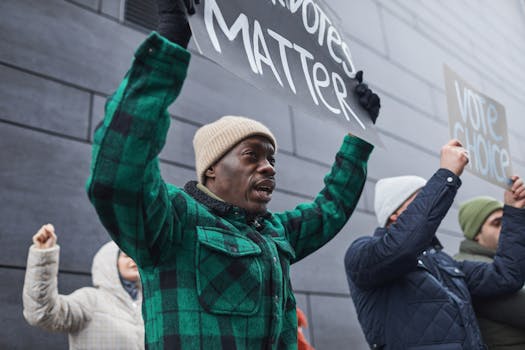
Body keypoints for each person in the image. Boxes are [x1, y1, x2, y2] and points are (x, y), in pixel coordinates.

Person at [86, 0, 379, 348]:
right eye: (251, 156)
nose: (268, 166)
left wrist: (359, 134)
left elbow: (331, 208)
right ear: (211, 168)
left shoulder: (276, 231)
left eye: (271, 158)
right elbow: (118, 176)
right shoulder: (172, 222)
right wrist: (169, 43)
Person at [344, 140, 525, 349]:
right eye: (422, 198)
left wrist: (514, 212)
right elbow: (401, 247)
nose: (432, 202)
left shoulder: (443, 262)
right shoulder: (362, 253)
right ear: (394, 213)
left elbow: (506, 276)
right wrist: (447, 174)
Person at [22, 224, 144, 350]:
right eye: (126, 255)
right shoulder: (90, 300)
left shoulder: (146, 305)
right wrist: (44, 256)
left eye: (136, 255)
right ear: (109, 262)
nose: (134, 260)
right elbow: (42, 313)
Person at [455, 196, 525, 349]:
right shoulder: (474, 267)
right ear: (475, 234)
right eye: (497, 223)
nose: (507, 227)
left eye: (507, 221)